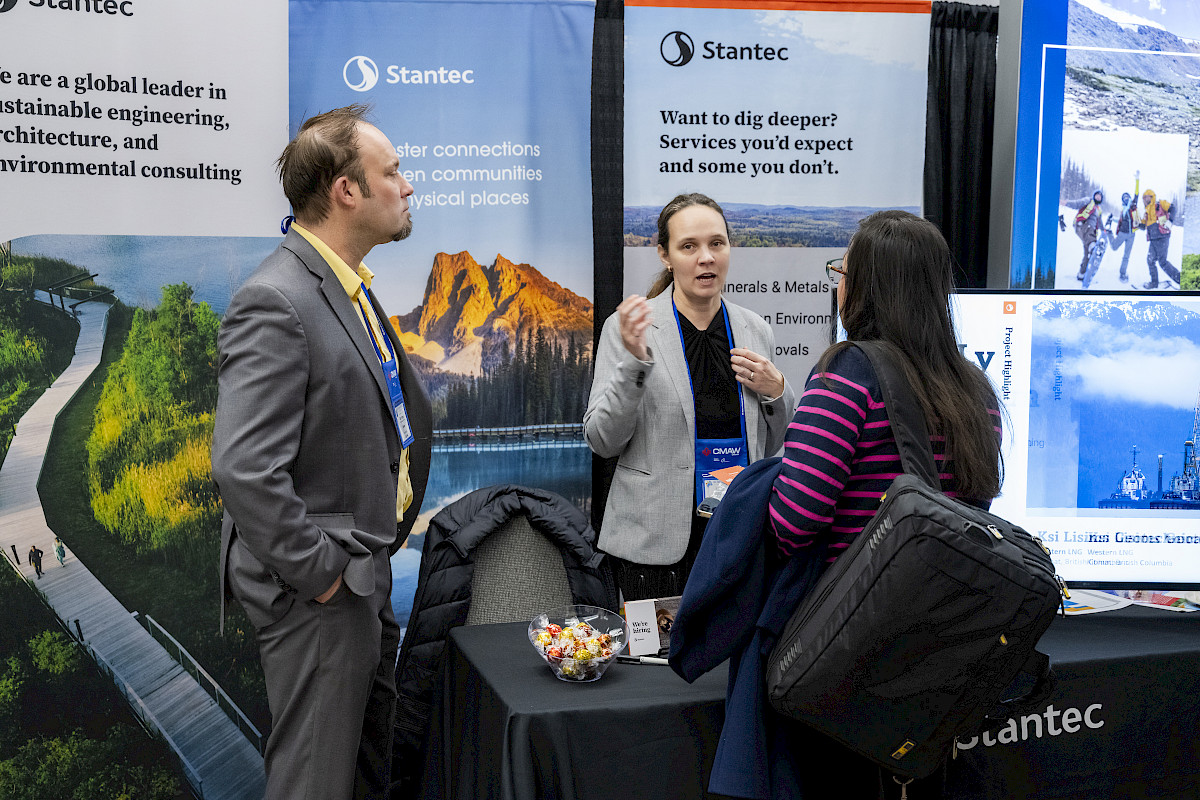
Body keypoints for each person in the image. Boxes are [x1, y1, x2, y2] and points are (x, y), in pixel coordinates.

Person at [211, 104, 432, 800]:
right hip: (322, 595)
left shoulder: (346, 287)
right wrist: (325, 578)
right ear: (346, 191)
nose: (408, 186)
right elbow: (245, 468)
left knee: (358, 776)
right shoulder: (276, 300)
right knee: (314, 781)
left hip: (361, 573)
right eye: (392, 172)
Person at [767, 209, 1003, 796]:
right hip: (941, 649)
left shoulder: (847, 373)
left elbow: (795, 522)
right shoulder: (974, 388)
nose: (837, 285)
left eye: (842, 272)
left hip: (854, 650)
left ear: (866, 286)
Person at [584, 192, 795, 601]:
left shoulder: (755, 330)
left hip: (737, 539)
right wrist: (634, 362)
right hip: (653, 547)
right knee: (656, 647)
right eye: (689, 246)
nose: (706, 258)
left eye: (717, 243)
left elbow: (771, 446)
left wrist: (778, 391)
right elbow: (603, 440)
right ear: (665, 255)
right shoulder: (630, 329)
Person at [1139, 188, 1180, 289]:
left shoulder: (1160, 204)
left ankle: (1181, 279)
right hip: (1153, 240)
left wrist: (1170, 220)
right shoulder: (1146, 213)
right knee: (1150, 261)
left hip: (1162, 237)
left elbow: (1173, 208)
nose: (1145, 199)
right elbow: (1143, 226)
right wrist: (1137, 224)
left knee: (1162, 262)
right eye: (1144, 198)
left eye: (1147, 197)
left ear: (1152, 197)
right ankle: (1154, 283)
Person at [1106, 172, 1140, 283]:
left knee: (1126, 256)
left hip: (1131, 235)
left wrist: (1137, 180)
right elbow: (1120, 220)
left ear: (1129, 198)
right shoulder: (1123, 210)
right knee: (1114, 247)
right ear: (1122, 200)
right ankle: (1109, 234)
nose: (1126, 198)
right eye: (1124, 197)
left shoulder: (1133, 205)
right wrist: (1112, 219)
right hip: (1122, 233)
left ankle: (1122, 273)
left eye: (1127, 197)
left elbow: (1136, 194)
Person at [1069, 189, 1105, 281]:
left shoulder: (1099, 210)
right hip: (1082, 225)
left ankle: (1082, 273)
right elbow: (1077, 203)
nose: (1098, 197)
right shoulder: (1088, 201)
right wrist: (1065, 202)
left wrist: (1104, 230)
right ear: (1094, 196)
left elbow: (1100, 222)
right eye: (1097, 195)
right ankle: (1092, 246)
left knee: (1088, 254)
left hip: (1091, 232)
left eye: (1100, 196)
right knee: (1089, 233)